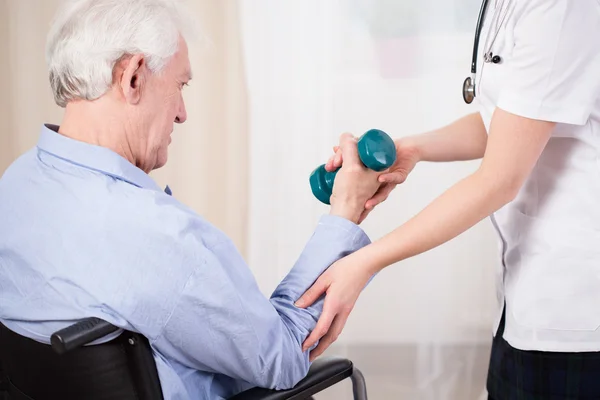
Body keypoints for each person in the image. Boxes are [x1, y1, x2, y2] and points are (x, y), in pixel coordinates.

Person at [0, 1, 382, 399]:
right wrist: (346, 211)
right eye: (180, 86)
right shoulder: (156, 235)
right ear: (132, 78)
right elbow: (282, 357)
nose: (182, 114)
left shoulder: (15, 185)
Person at [295, 0, 600, 399]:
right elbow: (511, 118)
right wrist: (414, 149)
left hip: (573, 297)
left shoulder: (563, 8)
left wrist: (364, 262)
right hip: (522, 294)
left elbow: (499, 180)